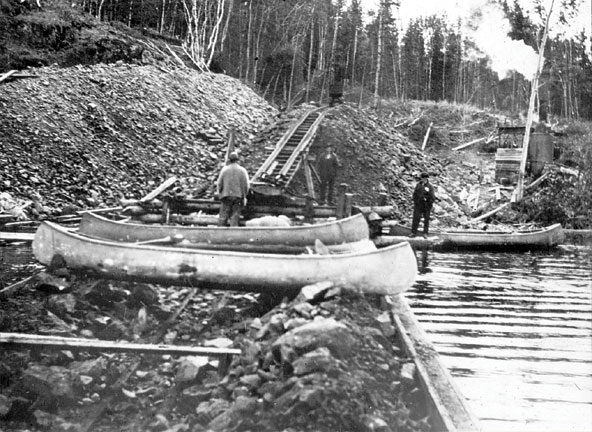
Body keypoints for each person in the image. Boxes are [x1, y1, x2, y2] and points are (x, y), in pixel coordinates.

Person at [216, 151, 249, 227]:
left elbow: (219, 184)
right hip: (238, 196)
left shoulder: (224, 170)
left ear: (229, 160)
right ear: (238, 160)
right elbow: (246, 185)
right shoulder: (242, 170)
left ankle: (220, 233)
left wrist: (220, 193)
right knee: (235, 216)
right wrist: (244, 195)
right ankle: (233, 233)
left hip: (226, 196)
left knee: (223, 217)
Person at [410, 172, 436, 238]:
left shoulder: (430, 186)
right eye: (422, 178)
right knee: (416, 218)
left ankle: (425, 233)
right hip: (418, 205)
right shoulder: (418, 185)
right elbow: (414, 194)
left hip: (426, 205)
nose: (423, 179)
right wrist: (416, 202)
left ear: (427, 178)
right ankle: (413, 232)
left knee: (426, 219)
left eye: (425, 178)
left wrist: (428, 203)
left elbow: (432, 197)